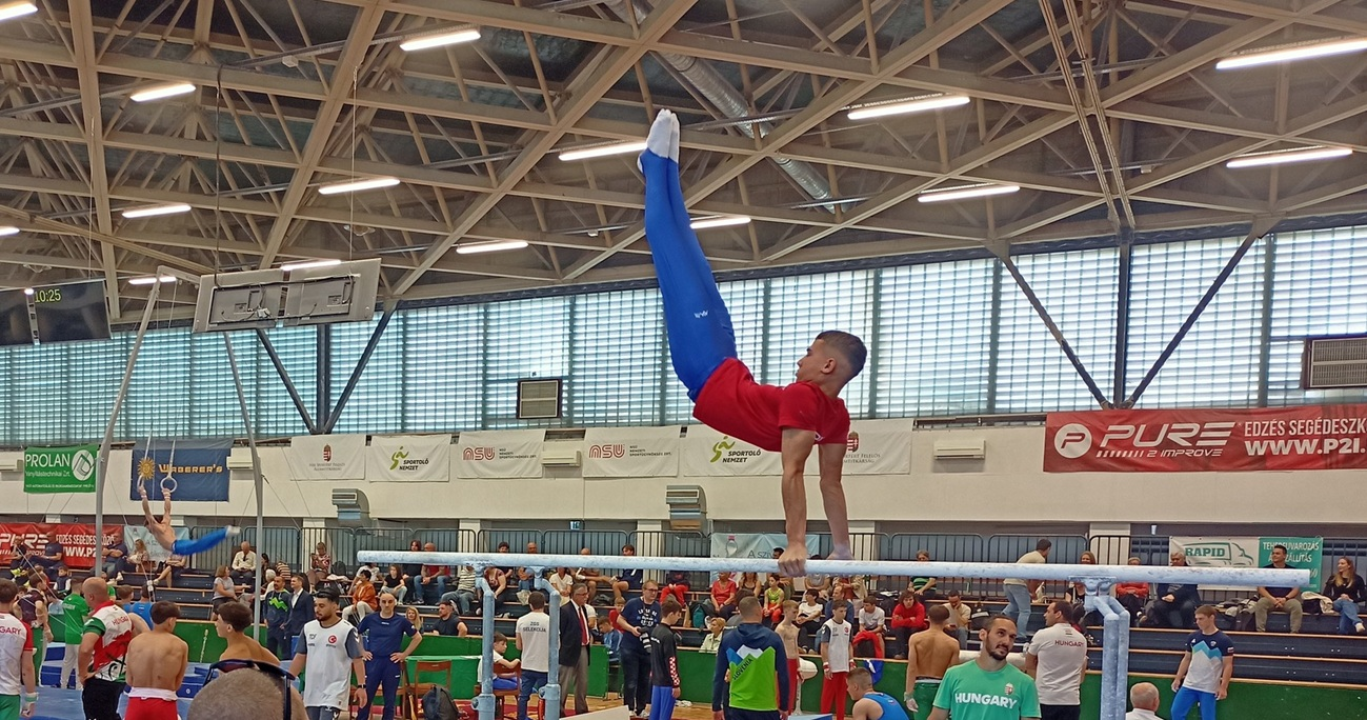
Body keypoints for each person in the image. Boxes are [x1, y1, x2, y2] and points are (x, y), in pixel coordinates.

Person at [641, 109, 865, 576]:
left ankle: (657, 168)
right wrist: (825, 544)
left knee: (672, 255)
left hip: (703, 367)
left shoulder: (812, 402)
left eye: (809, 354)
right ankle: (661, 170)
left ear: (828, 368)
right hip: (724, 356)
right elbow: (824, 481)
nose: (799, 359)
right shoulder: (831, 410)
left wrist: (814, 545)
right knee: (690, 255)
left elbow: (810, 478)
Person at [927, 615, 1040, 720]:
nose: (1006, 641)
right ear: (983, 635)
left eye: (1012, 637)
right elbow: (937, 717)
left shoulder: (1025, 683)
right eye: (1001, 633)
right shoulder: (954, 675)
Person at [289, 587, 367, 720]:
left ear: (335, 606)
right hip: (312, 691)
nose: (317, 610)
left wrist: (361, 686)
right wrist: (287, 682)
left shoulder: (347, 630)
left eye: (322, 606)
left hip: (335, 691)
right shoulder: (308, 628)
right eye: (315, 605)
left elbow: (357, 660)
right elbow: (300, 657)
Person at [712, 596, 789, 720]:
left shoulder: (728, 640)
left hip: (736, 707)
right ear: (760, 611)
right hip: (766, 708)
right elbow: (783, 676)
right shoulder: (773, 639)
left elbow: (719, 676)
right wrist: (784, 706)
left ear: (740, 613)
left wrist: (716, 706)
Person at [358, 593, 423, 720]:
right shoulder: (370, 619)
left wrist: (404, 654)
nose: (387, 605)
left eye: (389, 602)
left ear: (394, 603)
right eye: (384, 602)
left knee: (390, 701)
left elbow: (417, 637)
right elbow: (356, 634)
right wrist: (362, 651)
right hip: (373, 662)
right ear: (379, 603)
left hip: (391, 663)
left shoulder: (401, 621)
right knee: (366, 697)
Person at [79, 577, 135, 720]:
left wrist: (82, 673)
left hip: (102, 678)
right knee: (109, 714)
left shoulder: (97, 620)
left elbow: (85, 649)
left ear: (90, 596)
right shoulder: (122, 613)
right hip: (119, 676)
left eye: (84, 595)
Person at [123, 601, 188, 720]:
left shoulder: (135, 642)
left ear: (152, 619)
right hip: (165, 701)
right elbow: (178, 682)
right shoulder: (179, 645)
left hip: (137, 700)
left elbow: (129, 679)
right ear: (171, 620)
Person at [1024, 602, 1088, 720]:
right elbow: (1082, 674)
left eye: (1048, 611)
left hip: (1046, 699)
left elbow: (1028, 663)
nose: (1044, 615)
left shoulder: (1043, 635)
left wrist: (1039, 686)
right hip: (1071, 701)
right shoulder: (1082, 639)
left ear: (1058, 614)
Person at [1169, 605, 1233, 720]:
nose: (1197, 622)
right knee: (1176, 712)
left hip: (1209, 687)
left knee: (1208, 717)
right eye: (1196, 619)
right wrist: (1178, 678)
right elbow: (1187, 658)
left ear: (1211, 618)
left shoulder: (1223, 640)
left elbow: (1227, 665)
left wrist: (1223, 687)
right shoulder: (1193, 637)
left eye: (1201, 619)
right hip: (1189, 684)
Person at [139, 484, 238, 556]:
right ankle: (224, 534)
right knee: (204, 546)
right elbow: (167, 510)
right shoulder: (166, 523)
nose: (149, 531)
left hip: (177, 547)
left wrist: (143, 496)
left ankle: (225, 532)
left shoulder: (156, 528)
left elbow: (147, 511)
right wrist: (167, 496)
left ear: (151, 524)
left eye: (148, 528)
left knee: (201, 544)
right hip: (179, 544)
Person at [906, 605, 961, 720]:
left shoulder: (915, 639)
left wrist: (909, 694)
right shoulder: (953, 643)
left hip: (920, 686)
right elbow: (953, 673)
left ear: (928, 618)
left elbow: (912, 667)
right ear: (946, 620)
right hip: (942, 688)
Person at [618, 580, 661, 718]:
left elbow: (659, 625)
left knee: (644, 680)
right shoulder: (633, 603)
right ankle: (629, 707)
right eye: (650, 590)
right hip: (630, 646)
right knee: (631, 679)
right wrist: (632, 629)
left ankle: (641, 708)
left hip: (647, 649)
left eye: (655, 590)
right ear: (643, 590)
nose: (653, 593)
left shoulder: (657, 607)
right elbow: (620, 620)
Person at [0, 579, 38, 720]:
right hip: (9, 692)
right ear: (16, 598)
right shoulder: (23, 628)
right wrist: (30, 698)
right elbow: (27, 667)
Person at [1003, 539, 1051, 641]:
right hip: (1018, 584)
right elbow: (1034, 577)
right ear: (1048, 549)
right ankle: (1020, 635)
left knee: (1014, 604)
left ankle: (1003, 616)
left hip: (1007, 582)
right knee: (1025, 611)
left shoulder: (1030, 555)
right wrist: (1032, 592)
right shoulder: (1040, 559)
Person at [515, 591, 552, 720]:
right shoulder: (550, 621)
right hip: (544, 665)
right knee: (545, 696)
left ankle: (521, 717)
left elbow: (519, 646)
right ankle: (543, 717)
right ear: (544, 604)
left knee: (523, 696)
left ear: (530, 605)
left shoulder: (521, 620)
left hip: (527, 663)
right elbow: (557, 646)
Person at [558, 583, 593, 716]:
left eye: (586, 594)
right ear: (575, 595)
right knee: (564, 682)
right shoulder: (565, 610)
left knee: (583, 681)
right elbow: (560, 632)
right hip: (568, 651)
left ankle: (581, 708)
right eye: (583, 594)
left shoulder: (582, 609)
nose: (586, 597)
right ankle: (559, 709)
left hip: (583, 647)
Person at [647, 599, 684, 720]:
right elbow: (671, 662)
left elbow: (653, 656)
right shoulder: (668, 635)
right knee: (664, 716)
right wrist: (676, 684)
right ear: (671, 614)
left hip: (656, 681)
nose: (679, 618)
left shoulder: (655, 631)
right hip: (667, 683)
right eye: (678, 614)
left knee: (654, 715)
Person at [1254, 544, 1302, 634]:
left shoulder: (1292, 571)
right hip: (1269, 599)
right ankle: (1260, 632)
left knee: (1296, 605)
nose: (1274, 555)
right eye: (1273, 553)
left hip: (1286, 600)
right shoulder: (1265, 570)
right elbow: (1261, 589)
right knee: (1261, 603)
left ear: (1284, 556)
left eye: (1277, 553)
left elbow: (1296, 589)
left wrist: (1285, 599)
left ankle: (1294, 633)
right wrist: (1273, 600)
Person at [819, 599, 854, 720]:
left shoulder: (848, 626)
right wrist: (826, 664)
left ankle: (840, 718)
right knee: (827, 696)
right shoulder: (828, 625)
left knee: (842, 695)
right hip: (832, 666)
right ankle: (823, 718)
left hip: (844, 665)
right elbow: (824, 646)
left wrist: (851, 661)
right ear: (833, 611)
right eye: (840, 611)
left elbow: (849, 645)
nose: (843, 613)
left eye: (845, 611)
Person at [1323, 556, 1366, 635]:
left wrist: (1352, 600)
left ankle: (1342, 631)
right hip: (1337, 603)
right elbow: (1325, 594)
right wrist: (1339, 598)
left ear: (1349, 565)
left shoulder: (1357, 579)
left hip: (1352, 604)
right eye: (1338, 564)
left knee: (1345, 610)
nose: (1339, 565)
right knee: (1343, 601)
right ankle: (1357, 622)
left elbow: (1364, 596)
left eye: (1342, 563)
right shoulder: (1333, 578)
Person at [775, 601, 802, 713]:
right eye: (794, 612)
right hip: (784, 662)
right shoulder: (780, 629)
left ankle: (789, 713)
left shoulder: (795, 629)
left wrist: (798, 666)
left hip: (792, 662)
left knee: (792, 691)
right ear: (785, 611)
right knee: (782, 691)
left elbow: (795, 648)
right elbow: (778, 650)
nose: (796, 615)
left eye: (797, 612)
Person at [263, 574, 293, 660]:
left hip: (281, 627)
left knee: (285, 650)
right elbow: (265, 606)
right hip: (270, 626)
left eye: (278, 581)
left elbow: (291, 611)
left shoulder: (287, 596)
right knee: (270, 650)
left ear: (283, 583)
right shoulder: (269, 595)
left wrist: (286, 623)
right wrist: (265, 618)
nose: (275, 583)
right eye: (274, 581)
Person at [891, 591, 927, 659]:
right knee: (899, 629)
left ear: (914, 600)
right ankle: (901, 653)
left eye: (910, 600)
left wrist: (902, 620)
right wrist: (910, 619)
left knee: (914, 629)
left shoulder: (919, 607)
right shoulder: (898, 607)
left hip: (918, 629)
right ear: (902, 601)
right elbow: (894, 624)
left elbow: (919, 623)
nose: (908, 602)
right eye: (906, 600)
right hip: (905, 629)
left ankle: (914, 653)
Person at [1114, 559, 1149, 625]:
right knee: (1129, 597)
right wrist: (1127, 592)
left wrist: (1135, 591)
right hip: (1124, 597)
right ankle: (1139, 613)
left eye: (1136, 564)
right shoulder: (1123, 576)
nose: (1134, 566)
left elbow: (1145, 590)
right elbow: (1118, 589)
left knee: (1131, 601)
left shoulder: (1143, 577)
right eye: (1132, 564)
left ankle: (1130, 624)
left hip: (1138, 597)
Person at [286, 575, 314, 654]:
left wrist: (308, 626)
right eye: (291, 581)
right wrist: (286, 622)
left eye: (294, 581)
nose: (292, 583)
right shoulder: (290, 596)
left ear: (300, 583)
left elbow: (310, 613)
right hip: (290, 626)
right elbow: (289, 610)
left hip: (301, 626)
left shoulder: (307, 596)